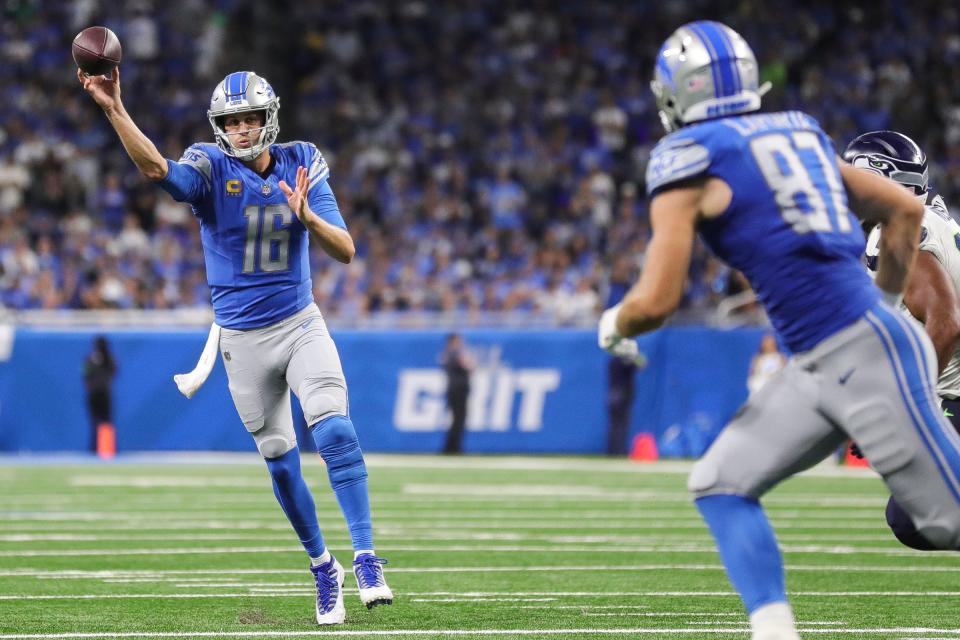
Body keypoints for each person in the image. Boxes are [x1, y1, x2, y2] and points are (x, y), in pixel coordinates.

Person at [598, 20, 960, 640]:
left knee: (939, 519)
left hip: (854, 352)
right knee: (720, 483)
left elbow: (656, 301)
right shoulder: (799, 131)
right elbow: (903, 207)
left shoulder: (685, 157)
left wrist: (615, 321)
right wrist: (885, 305)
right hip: (823, 360)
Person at [78, 67, 391, 625]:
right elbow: (155, 168)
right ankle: (324, 567)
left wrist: (308, 217)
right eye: (232, 121)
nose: (242, 130)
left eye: (249, 119)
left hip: (299, 322)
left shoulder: (302, 160)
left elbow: (345, 249)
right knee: (279, 462)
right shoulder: (207, 163)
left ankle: (367, 555)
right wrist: (113, 108)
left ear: (268, 118)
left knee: (334, 427)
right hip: (242, 339)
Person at [844, 130, 960, 549]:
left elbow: (945, 323)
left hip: (953, 396)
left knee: (915, 515)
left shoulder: (900, 228)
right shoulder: (939, 221)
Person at [83, 335, 117, 455]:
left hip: (101, 393)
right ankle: (97, 448)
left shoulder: (108, 359)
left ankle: (105, 448)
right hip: (97, 394)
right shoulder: (91, 359)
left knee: (104, 421)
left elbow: (114, 371)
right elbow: (85, 373)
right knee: (97, 421)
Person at [440, 333, 473, 454]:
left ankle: (451, 447)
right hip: (459, 390)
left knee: (456, 419)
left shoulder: (446, 353)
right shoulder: (456, 353)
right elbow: (470, 367)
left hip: (453, 389)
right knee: (459, 419)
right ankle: (454, 448)